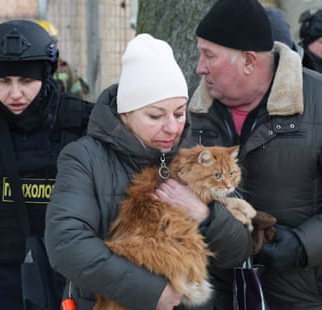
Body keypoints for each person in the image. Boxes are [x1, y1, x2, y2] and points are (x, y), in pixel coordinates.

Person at [188, 0, 322, 308]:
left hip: (312, 299)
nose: (199, 67)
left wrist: (302, 245)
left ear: (248, 61)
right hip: (221, 296)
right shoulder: (194, 112)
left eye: (209, 55)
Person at [44, 33, 253, 309]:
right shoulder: (85, 158)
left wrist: (206, 215)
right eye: (155, 116)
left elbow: (237, 251)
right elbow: (66, 244)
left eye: (179, 113)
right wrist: (151, 292)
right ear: (125, 114)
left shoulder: (192, 157)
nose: (171, 127)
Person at [0, 19, 92, 309]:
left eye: (27, 81)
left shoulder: (80, 122)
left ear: (46, 76)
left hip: (64, 276)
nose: (15, 94)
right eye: (4, 82)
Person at [37, 20, 91, 100]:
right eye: (47, 44)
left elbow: (81, 96)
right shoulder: (27, 67)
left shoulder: (64, 68)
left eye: (53, 43)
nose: (52, 47)